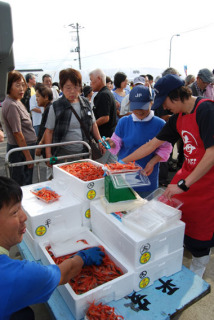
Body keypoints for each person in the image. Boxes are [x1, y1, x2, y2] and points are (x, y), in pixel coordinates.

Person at [122, 74, 214, 277]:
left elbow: (212, 153)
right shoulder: (177, 119)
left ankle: (199, 266)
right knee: (169, 213)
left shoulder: (206, 109)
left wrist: (184, 184)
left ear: (176, 96)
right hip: (187, 176)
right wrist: (121, 164)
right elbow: (151, 145)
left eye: (166, 103)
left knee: (201, 231)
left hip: (207, 182)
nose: (165, 108)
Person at [0, 176, 104, 320]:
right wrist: (82, 257)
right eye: (15, 212)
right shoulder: (15, 275)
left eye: (21, 208)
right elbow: (62, 274)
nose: (24, 217)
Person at [106, 85, 172, 198]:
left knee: (145, 208)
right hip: (124, 175)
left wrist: (152, 162)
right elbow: (116, 142)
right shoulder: (123, 122)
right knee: (124, 208)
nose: (139, 111)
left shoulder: (160, 124)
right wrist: (111, 143)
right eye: (136, 107)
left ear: (151, 103)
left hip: (147, 177)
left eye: (143, 107)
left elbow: (166, 149)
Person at [45, 68, 102, 165]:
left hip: (85, 152)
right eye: (68, 88)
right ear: (61, 87)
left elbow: (93, 125)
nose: (72, 91)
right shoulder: (56, 106)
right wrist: (48, 154)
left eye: (76, 87)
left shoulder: (86, 103)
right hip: (64, 154)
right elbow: (49, 131)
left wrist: (100, 142)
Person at [2, 71, 37, 186]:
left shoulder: (17, 101)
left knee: (26, 182)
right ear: (8, 86)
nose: (21, 88)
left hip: (24, 149)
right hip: (20, 151)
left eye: (23, 85)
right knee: (22, 184)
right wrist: (27, 156)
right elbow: (17, 133)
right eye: (17, 85)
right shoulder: (11, 105)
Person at [89, 68, 117, 137]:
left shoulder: (103, 94)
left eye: (91, 80)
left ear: (98, 78)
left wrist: (90, 127)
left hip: (105, 136)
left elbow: (105, 117)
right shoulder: (106, 92)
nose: (90, 84)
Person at [35, 84, 53, 157]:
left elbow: (48, 129)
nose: (36, 99)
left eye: (38, 96)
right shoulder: (47, 108)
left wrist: (40, 145)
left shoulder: (50, 109)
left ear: (46, 97)